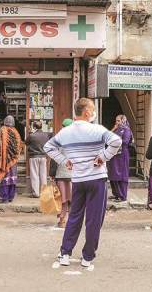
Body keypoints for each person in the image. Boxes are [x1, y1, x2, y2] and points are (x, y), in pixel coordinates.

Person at [44, 98, 121, 268]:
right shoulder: (97, 129)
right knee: (94, 219)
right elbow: (117, 141)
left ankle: (64, 253)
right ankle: (87, 257)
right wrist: (103, 157)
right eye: (92, 109)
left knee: (74, 217)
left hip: (78, 180)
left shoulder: (65, 132)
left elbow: (48, 147)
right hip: (97, 179)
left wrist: (65, 161)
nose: (93, 112)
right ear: (86, 112)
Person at [0, 115, 22, 203]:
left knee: (4, 177)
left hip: (1, 161)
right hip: (13, 162)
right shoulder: (16, 133)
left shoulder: (0, 131)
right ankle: (11, 196)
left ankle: (4, 197)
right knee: (12, 177)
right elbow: (19, 146)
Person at [49, 118, 74, 228]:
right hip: (74, 174)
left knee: (62, 199)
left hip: (61, 173)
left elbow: (54, 158)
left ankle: (62, 220)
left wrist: (52, 174)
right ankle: (73, 222)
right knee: (73, 199)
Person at [106, 115, 133, 202]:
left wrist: (114, 141)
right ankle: (116, 194)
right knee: (113, 175)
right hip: (114, 155)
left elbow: (125, 141)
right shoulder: (116, 129)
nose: (116, 122)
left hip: (122, 156)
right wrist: (113, 129)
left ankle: (122, 196)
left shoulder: (126, 130)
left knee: (121, 175)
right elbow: (107, 138)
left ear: (123, 121)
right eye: (116, 120)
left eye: (118, 121)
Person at [25, 120, 50, 198]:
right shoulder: (46, 135)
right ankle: (44, 193)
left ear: (34, 127)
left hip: (34, 157)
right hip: (43, 156)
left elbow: (26, 143)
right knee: (43, 175)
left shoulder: (32, 136)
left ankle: (36, 193)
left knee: (34, 175)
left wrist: (29, 132)